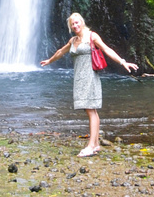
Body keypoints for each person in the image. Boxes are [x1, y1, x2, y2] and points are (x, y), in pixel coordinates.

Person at [40, 12, 138, 156]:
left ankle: (91, 145)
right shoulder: (73, 41)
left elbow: (106, 50)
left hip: (90, 77)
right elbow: (61, 51)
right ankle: (96, 143)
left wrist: (123, 62)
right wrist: (49, 61)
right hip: (79, 79)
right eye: (72, 24)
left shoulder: (92, 36)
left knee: (90, 110)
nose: (75, 25)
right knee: (91, 110)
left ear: (82, 22)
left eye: (77, 22)